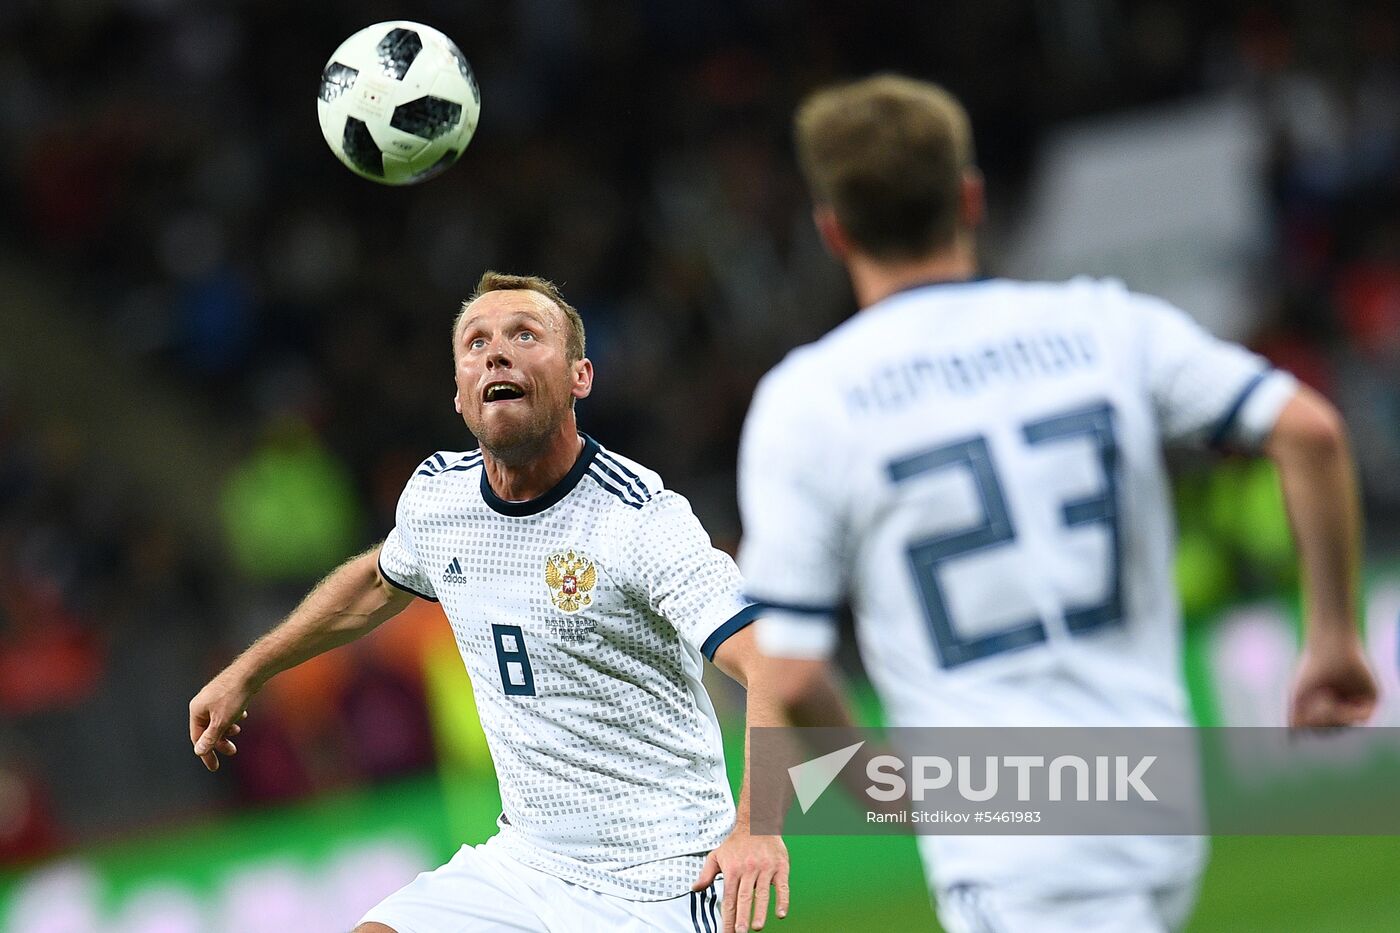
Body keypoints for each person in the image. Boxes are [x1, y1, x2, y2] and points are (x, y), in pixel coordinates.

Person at [736, 75, 1378, 933]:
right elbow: (1310, 431)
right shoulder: (1102, 323)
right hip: (1158, 800)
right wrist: (1333, 638)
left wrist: (881, 791)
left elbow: (795, 667)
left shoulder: (809, 400)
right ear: (970, 199)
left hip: (1013, 835)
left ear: (832, 231)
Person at [190, 272, 788, 933]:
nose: (497, 353)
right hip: (524, 866)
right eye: (476, 343)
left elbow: (770, 662)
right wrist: (251, 669)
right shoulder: (441, 500)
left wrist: (758, 827)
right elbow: (376, 583)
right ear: (459, 392)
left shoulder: (638, 520)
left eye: (525, 335)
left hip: (662, 882)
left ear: (580, 376)